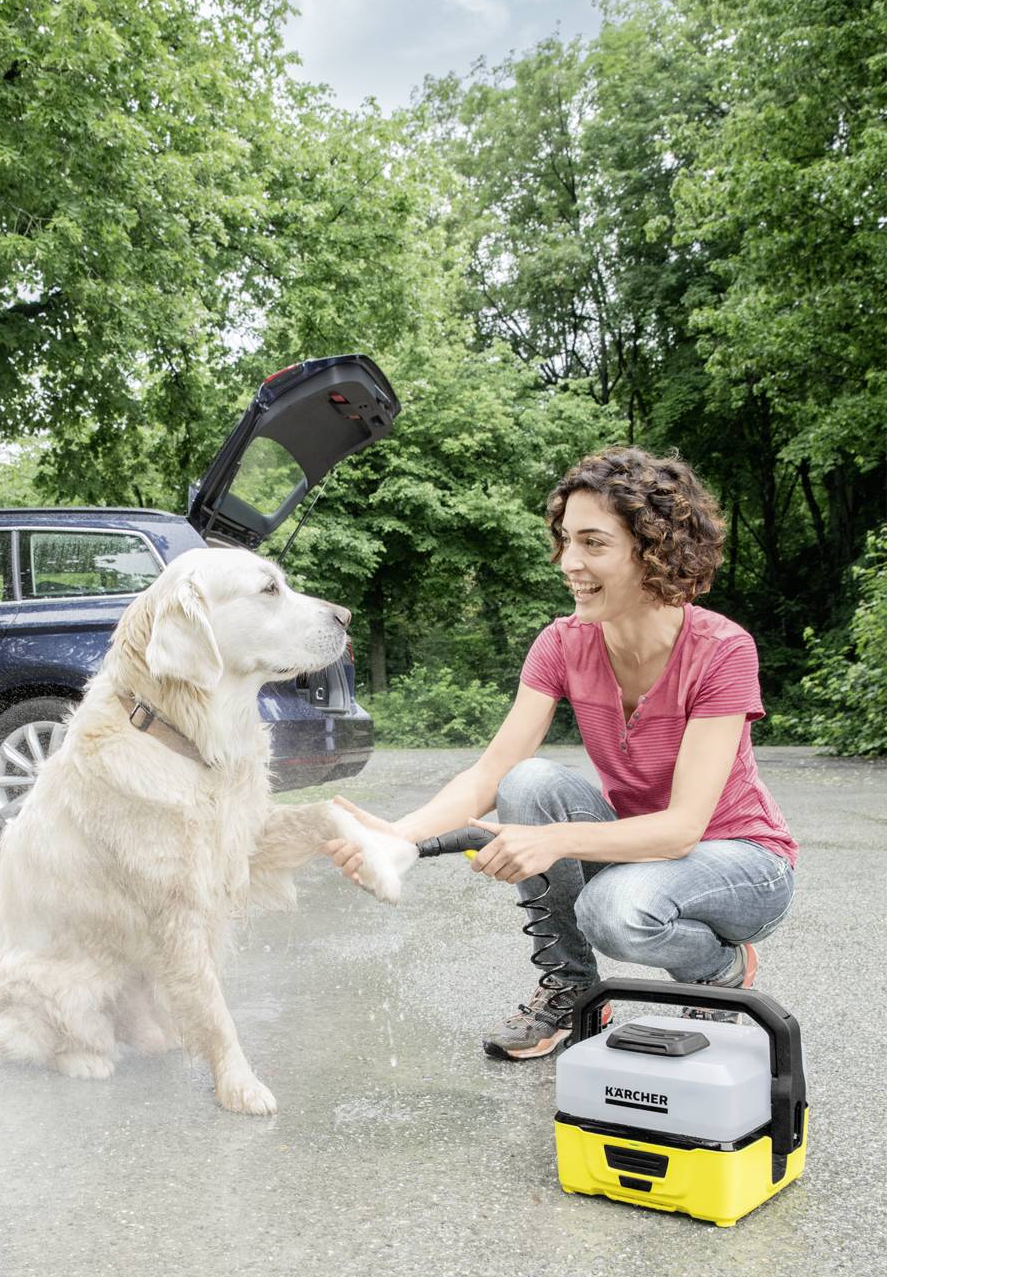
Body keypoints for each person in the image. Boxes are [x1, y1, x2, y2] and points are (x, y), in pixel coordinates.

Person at [325, 446, 797, 1060]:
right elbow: (491, 773)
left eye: (594, 543)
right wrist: (400, 838)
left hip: (743, 863)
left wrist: (552, 840)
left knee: (612, 911)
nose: (569, 561)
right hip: (639, 851)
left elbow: (683, 829)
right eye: (567, 540)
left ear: (655, 551)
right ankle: (572, 991)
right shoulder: (562, 643)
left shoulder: (722, 649)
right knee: (528, 781)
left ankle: (718, 970)